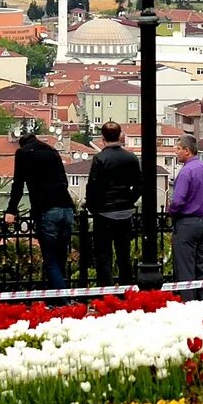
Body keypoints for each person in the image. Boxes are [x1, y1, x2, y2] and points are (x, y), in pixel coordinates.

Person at [2, 127, 77, 291]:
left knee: (50, 259)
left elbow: (18, 184)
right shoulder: (52, 151)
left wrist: (11, 210)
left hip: (46, 208)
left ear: (22, 144)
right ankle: (58, 298)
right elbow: (64, 181)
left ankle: (61, 300)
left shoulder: (23, 153)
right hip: (66, 206)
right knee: (61, 256)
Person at [83, 121, 142, 285]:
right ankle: (126, 291)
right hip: (124, 212)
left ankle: (106, 292)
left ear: (102, 138)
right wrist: (129, 200)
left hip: (104, 213)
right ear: (120, 136)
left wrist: (94, 208)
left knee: (103, 256)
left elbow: (93, 186)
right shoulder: (130, 158)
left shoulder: (100, 158)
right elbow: (139, 184)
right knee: (124, 256)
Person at [167, 133, 203, 287]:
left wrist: (171, 211)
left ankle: (189, 302)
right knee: (202, 264)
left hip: (187, 223)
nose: (176, 152)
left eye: (178, 149)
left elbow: (178, 201)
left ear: (187, 150)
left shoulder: (186, 172)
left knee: (186, 267)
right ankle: (202, 300)